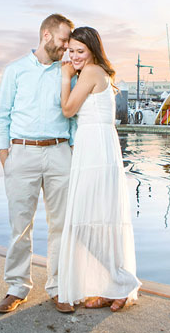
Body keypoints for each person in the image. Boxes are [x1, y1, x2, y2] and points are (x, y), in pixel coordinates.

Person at [0, 13, 77, 314]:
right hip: (22, 153)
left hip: (59, 153)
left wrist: (74, 151)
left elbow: (75, 117)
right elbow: (2, 116)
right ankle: (17, 287)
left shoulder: (68, 72)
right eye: (64, 39)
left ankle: (57, 287)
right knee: (20, 225)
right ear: (46, 35)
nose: (67, 46)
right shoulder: (15, 70)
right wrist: (5, 155)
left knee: (61, 225)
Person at [58, 26, 141, 312]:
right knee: (96, 220)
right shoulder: (95, 73)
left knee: (87, 220)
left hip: (95, 147)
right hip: (96, 145)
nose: (75, 56)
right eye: (71, 52)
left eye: (80, 51)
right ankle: (112, 284)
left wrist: (64, 76)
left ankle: (122, 281)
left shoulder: (91, 72)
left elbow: (68, 109)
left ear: (92, 50)